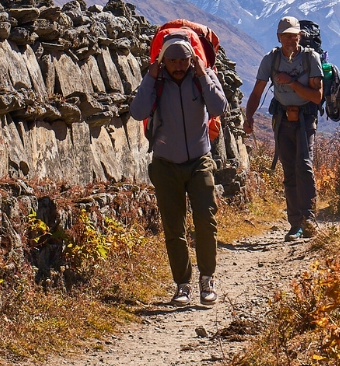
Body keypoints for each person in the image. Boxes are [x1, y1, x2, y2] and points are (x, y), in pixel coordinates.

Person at [129, 33, 229, 306]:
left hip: (199, 160)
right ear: (163, 61)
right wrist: (150, 77)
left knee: (206, 221)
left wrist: (202, 74)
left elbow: (219, 107)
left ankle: (207, 280)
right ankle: (182, 285)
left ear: (191, 59)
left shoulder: (202, 77)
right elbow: (137, 112)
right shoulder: (156, 82)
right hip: (165, 164)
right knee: (174, 227)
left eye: (183, 60)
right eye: (171, 60)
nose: (178, 65)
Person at [244, 16, 324, 240]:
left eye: (293, 35)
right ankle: (295, 224)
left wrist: (291, 82)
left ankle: (309, 221)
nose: (290, 39)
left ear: (300, 36)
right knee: (289, 170)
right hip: (282, 118)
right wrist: (249, 117)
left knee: (304, 166)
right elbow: (257, 92)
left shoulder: (311, 59)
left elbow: (316, 97)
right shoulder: (271, 59)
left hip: (305, 118)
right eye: (285, 35)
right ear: (279, 37)